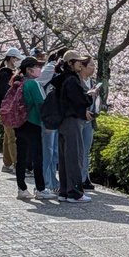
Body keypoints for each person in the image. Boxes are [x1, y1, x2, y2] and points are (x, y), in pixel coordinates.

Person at [48, 50, 94, 203]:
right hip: (72, 121)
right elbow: (81, 101)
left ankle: (64, 191)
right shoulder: (72, 80)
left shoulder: (61, 79)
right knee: (75, 157)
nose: (81, 64)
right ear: (70, 63)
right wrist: (90, 95)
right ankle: (75, 192)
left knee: (64, 157)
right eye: (78, 61)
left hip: (63, 122)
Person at [14, 56, 52, 200]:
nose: (40, 69)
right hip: (33, 122)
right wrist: (47, 123)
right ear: (30, 70)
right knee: (37, 157)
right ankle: (41, 189)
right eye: (37, 67)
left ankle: (21, 188)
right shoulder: (34, 84)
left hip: (20, 123)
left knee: (21, 156)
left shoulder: (19, 83)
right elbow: (41, 104)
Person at [0, 48, 21, 173]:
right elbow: (5, 92)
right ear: (11, 58)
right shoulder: (5, 74)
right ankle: (17, 163)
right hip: (8, 109)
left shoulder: (7, 72)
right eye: (16, 59)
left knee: (8, 136)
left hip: (6, 108)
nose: (17, 61)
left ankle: (7, 163)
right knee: (12, 136)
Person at [39, 48, 65, 193]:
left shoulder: (58, 71)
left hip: (56, 116)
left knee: (54, 151)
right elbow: (39, 83)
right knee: (48, 150)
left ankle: (52, 181)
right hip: (49, 115)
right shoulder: (50, 69)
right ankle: (45, 182)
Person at [77, 57, 101, 190]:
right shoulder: (76, 81)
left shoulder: (92, 82)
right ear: (83, 67)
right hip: (79, 119)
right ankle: (77, 178)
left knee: (86, 150)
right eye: (91, 65)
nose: (93, 68)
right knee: (77, 150)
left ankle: (85, 177)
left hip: (90, 120)